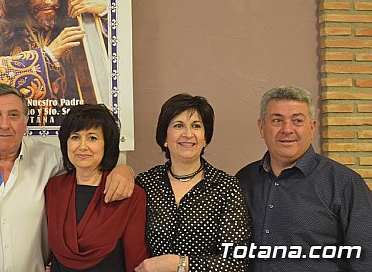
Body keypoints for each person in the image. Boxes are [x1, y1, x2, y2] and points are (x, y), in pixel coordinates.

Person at [0, 83, 135, 272]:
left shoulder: (50, 158)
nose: (4, 124)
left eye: (13, 115)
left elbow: (88, 162)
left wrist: (124, 169)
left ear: (25, 122)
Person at [236, 85, 372, 271]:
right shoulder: (243, 180)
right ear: (261, 127)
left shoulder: (345, 184)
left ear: (312, 127)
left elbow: (365, 260)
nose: (287, 129)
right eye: (277, 120)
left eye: (297, 120)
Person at [135, 94, 251, 272]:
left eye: (196, 126)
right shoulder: (146, 183)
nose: (188, 134)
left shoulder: (226, 187)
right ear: (164, 137)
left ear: (205, 138)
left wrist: (182, 265)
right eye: (178, 125)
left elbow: (236, 261)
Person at [45, 104, 148, 271]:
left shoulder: (129, 193)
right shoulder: (53, 188)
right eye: (75, 137)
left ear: (107, 144)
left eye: (92, 138)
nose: (82, 146)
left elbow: (135, 259)